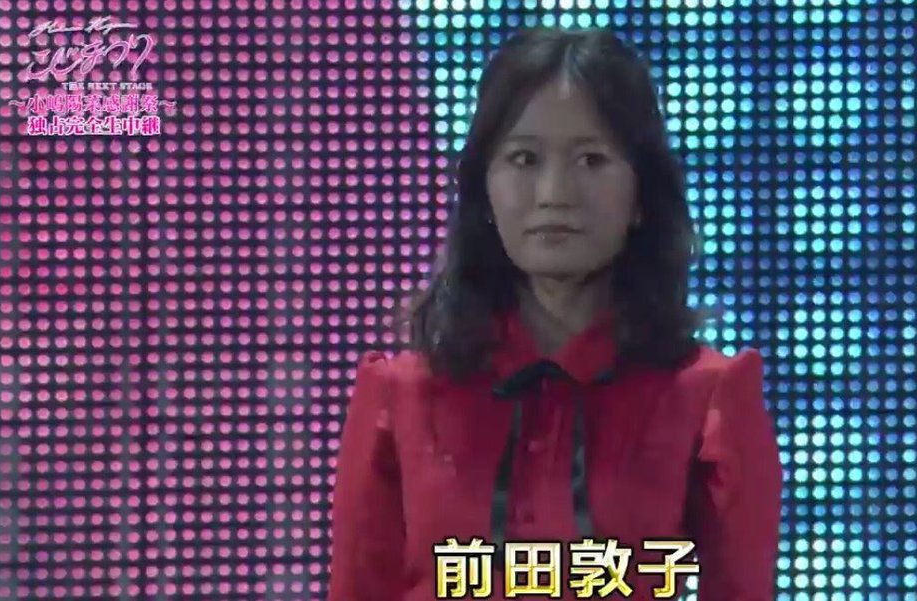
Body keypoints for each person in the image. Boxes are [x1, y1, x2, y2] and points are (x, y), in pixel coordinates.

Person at [328, 26, 783, 601]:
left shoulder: (709, 396)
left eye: (592, 159)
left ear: (642, 195)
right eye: (524, 159)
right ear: (484, 192)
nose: (554, 193)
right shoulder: (399, 397)